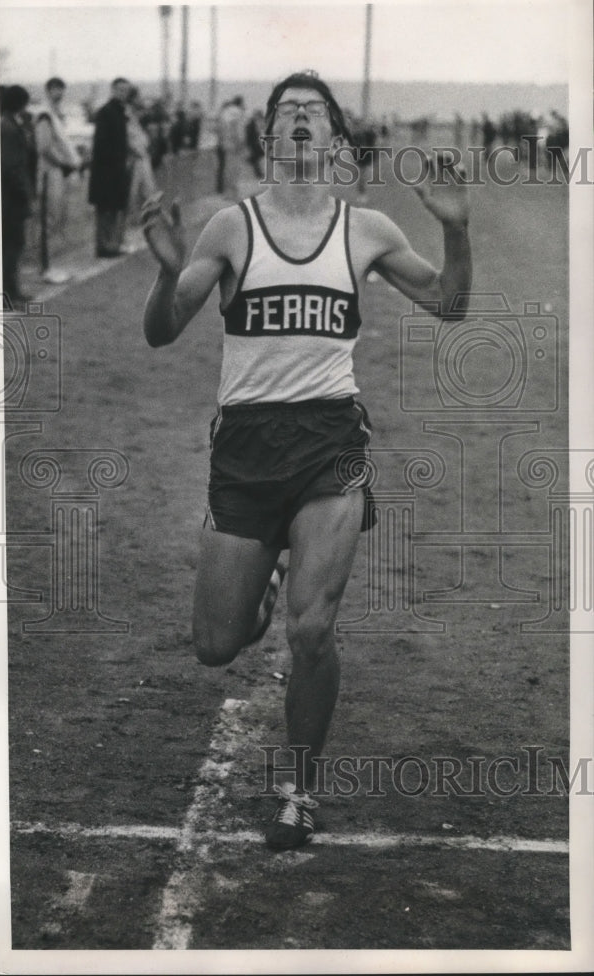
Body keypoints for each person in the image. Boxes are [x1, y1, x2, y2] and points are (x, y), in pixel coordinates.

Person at [141, 71, 472, 851]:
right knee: (215, 645)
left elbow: (450, 304)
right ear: (267, 137)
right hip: (247, 447)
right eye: (284, 111)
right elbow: (161, 331)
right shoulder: (229, 227)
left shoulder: (366, 231)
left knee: (314, 631)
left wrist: (457, 230)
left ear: (333, 140)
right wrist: (163, 271)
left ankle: (301, 791)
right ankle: (260, 590)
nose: (297, 120)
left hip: (330, 442)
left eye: (312, 113)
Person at [35, 77, 81, 283]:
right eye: (55, 90)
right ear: (48, 91)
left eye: (61, 90)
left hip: (59, 173)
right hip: (49, 173)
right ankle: (45, 268)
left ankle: (52, 265)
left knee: (58, 219)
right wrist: (63, 163)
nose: (59, 93)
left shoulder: (57, 115)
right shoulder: (44, 115)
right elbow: (44, 147)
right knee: (49, 220)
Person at [88, 77, 131, 257]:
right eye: (120, 89)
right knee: (106, 210)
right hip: (107, 171)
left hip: (115, 169)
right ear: (113, 90)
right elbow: (101, 144)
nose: (123, 93)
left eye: (125, 90)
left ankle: (110, 245)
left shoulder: (119, 111)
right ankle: (104, 247)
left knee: (113, 209)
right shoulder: (106, 112)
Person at [0, 85, 34, 305]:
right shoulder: (10, 128)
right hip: (11, 198)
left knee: (11, 245)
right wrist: (26, 193)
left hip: (8, 196)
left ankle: (11, 291)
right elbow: (13, 167)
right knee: (12, 245)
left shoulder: (6, 124)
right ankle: (9, 293)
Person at [125, 86, 156, 221]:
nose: (140, 100)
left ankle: (145, 220)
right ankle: (133, 221)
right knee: (133, 192)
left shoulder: (135, 116)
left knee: (148, 190)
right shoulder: (126, 115)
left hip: (142, 156)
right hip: (135, 158)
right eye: (138, 97)